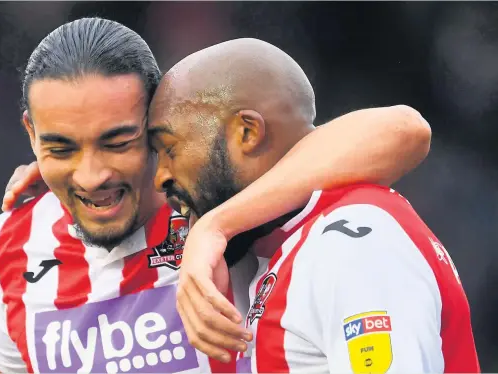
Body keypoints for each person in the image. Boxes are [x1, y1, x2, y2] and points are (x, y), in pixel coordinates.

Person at [0, 18, 430, 374]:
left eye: (118, 142)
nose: (91, 175)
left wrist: (214, 226)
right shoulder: (12, 240)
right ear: (31, 134)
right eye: (61, 146)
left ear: (159, 122)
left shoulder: (217, 198)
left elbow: (400, 131)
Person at [148, 38, 480, 372]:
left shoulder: (351, 243)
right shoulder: (283, 248)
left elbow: (407, 128)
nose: (160, 177)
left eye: (170, 149)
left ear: (247, 133)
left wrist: (215, 224)